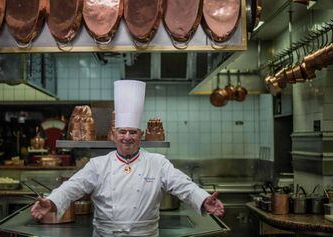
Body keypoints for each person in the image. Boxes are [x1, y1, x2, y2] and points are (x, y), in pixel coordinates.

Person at [31, 80, 224, 236]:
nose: (127, 137)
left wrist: (203, 198)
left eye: (133, 132)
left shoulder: (157, 163)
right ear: (114, 135)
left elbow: (183, 185)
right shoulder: (98, 165)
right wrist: (52, 201)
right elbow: (73, 187)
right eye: (122, 132)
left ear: (140, 136)